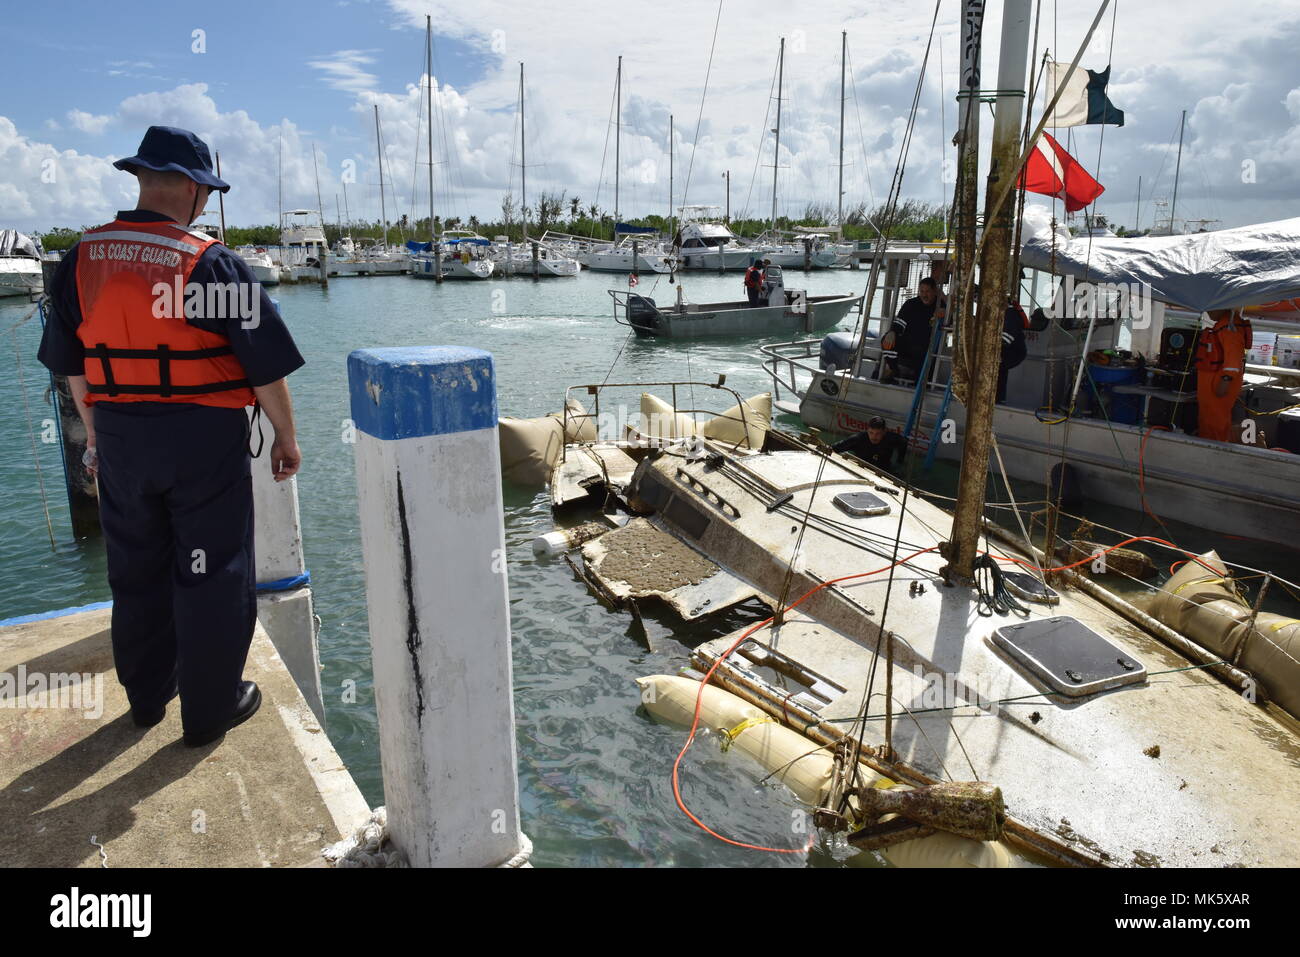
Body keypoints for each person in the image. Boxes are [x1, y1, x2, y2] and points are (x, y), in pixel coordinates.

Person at [37, 126, 305, 747]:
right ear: (191, 189)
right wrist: (287, 440)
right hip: (201, 440)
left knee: (135, 569)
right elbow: (266, 372)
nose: (206, 203)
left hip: (122, 441)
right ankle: (210, 709)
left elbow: (74, 368)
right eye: (206, 191)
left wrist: (102, 440)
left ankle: (147, 697)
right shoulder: (209, 262)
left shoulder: (83, 259)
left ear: (141, 180)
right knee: (211, 571)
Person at [1195, 308, 1251, 442]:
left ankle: (1213, 455)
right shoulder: (1225, 323)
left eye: (1210, 308)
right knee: (1210, 421)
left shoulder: (1229, 325)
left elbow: (1233, 359)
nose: (1207, 312)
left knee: (1215, 423)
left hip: (1218, 385)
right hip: (1214, 385)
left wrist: (1225, 381)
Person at [881, 276, 945, 383]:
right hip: (909, 344)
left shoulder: (941, 306)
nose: (924, 295)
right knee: (886, 341)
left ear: (935, 292)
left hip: (928, 348)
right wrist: (892, 332)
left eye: (928, 291)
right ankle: (893, 369)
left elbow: (952, 322)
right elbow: (898, 325)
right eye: (922, 291)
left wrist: (945, 313)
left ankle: (919, 382)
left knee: (921, 367)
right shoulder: (911, 304)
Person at [831, 415, 908, 471]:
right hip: (859, 469)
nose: (874, 437)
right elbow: (834, 448)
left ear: (884, 432)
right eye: (871, 433)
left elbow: (904, 442)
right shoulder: (858, 439)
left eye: (878, 434)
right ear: (867, 430)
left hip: (883, 472)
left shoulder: (891, 438)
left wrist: (899, 461)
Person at [997, 301, 1030, 403]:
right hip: (1008, 350)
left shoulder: (1010, 314)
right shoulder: (1002, 312)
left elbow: (1005, 340)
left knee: (998, 368)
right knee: (1000, 371)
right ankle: (999, 399)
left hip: (1013, 352)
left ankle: (998, 399)